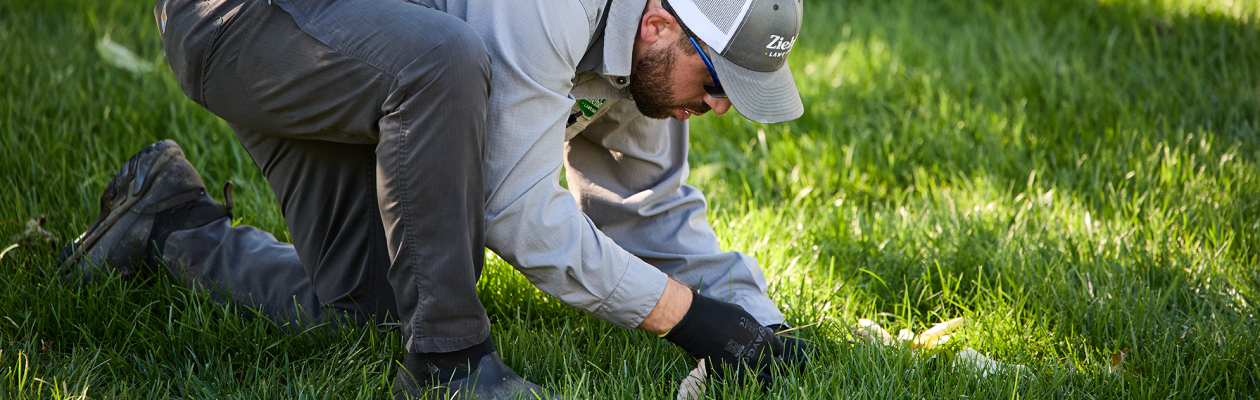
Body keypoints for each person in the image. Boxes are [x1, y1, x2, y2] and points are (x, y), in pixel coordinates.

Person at [59, 0, 810, 397]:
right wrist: (688, 319)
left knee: (374, 307)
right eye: (716, 85)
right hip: (248, 16)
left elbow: (648, 202)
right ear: (658, 27)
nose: (721, 111)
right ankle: (450, 365)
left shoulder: (647, 55)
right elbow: (515, 212)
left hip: (362, 39)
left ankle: (167, 223)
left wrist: (756, 324)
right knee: (442, 61)